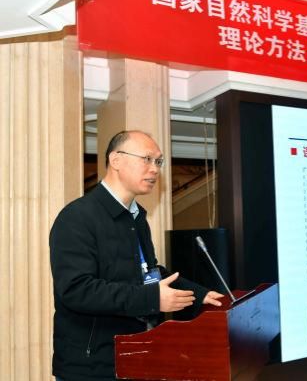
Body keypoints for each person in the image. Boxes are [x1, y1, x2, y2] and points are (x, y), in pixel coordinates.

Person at [50, 130, 223, 381]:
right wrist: (152, 298)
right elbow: (77, 290)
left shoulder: (137, 217)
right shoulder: (77, 217)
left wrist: (198, 295)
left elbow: (148, 272)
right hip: (91, 368)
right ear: (116, 160)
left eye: (158, 161)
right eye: (147, 159)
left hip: (135, 357)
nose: (155, 169)